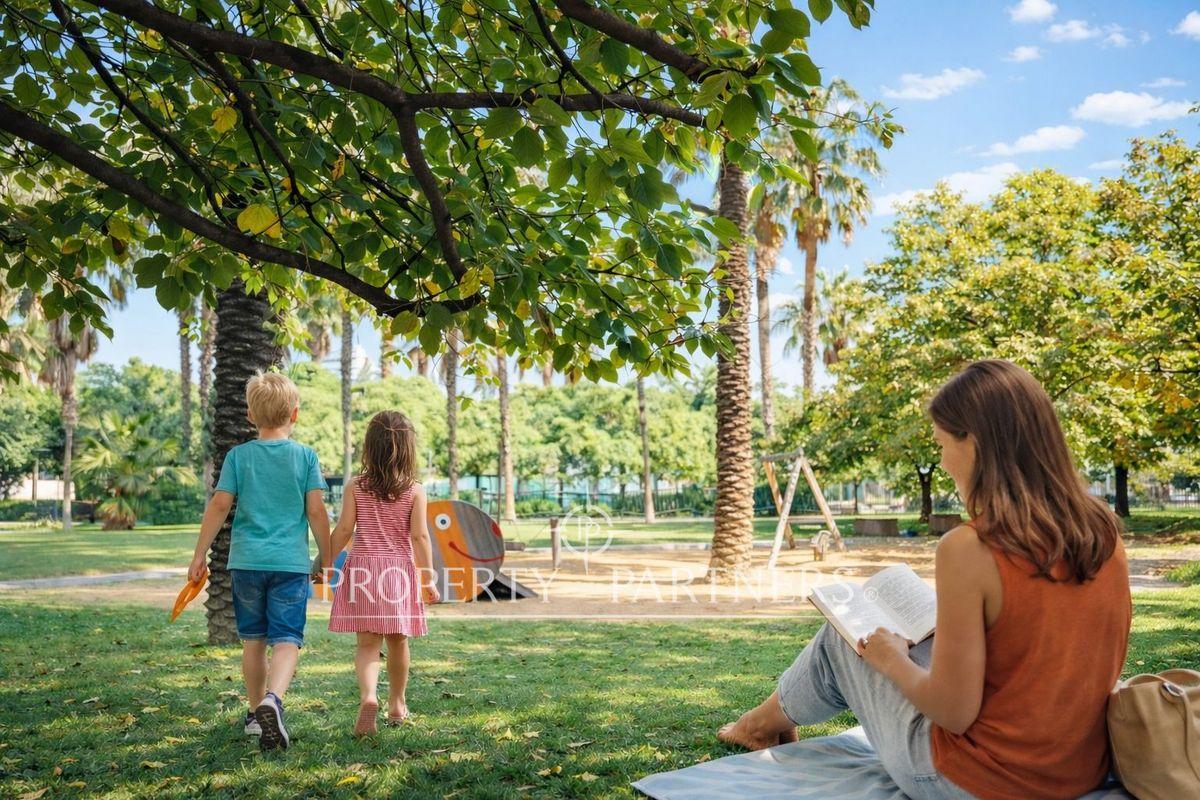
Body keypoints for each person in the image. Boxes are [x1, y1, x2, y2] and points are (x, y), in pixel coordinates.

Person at [717, 360, 1131, 800]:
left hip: (976, 781)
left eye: (940, 444)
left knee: (845, 634)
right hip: (1078, 771)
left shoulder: (970, 548)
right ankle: (765, 721)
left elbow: (953, 712)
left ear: (972, 441)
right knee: (899, 636)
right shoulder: (1103, 532)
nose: (943, 461)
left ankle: (759, 726)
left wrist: (891, 658)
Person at [187, 372, 331, 752]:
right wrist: (327, 556)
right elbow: (316, 512)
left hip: (247, 563)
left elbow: (219, 505)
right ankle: (274, 701)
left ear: (251, 415)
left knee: (253, 641)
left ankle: (255, 714)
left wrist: (199, 554)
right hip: (289, 564)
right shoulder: (305, 456)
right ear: (294, 414)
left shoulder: (238, 456)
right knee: (287, 639)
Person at [326, 410, 439, 736]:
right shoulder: (415, 490)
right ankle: (396, 704)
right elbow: (419, 537)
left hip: (362, 569)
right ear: (408, 448)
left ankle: (369, 696)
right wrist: (427, 577)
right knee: (399, 641)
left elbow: (345, 529)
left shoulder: (356, 486)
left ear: (369, 447)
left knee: (366, 644)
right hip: (398, 573)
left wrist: (325, 562)